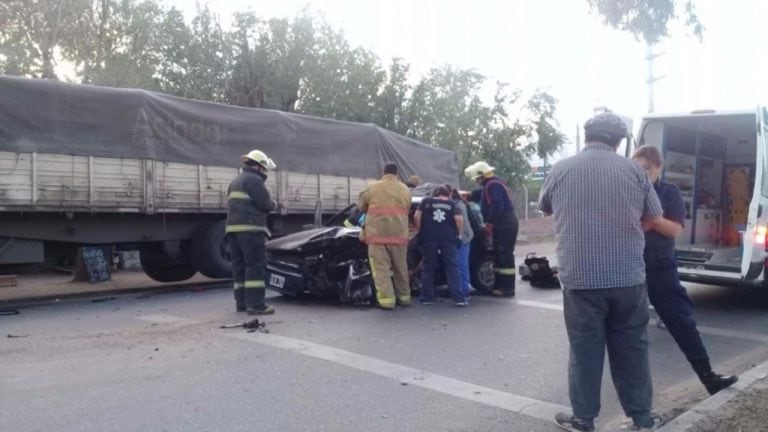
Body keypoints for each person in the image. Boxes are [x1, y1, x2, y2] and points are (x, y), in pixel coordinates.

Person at [539, 112, 665, 431]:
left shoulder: (561, 169)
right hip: (627, 278)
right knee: (632, 347)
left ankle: (584, 418)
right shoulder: (634, 172)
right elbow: (653, 216)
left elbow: (546, 207)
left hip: (580, 279)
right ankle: (642, 418)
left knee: (585, 350)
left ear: (586, 136)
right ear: (619, 142)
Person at [632, 145, 738, 395]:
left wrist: (653, 221)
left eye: (646, 168)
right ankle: (637, 402)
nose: (641, 173)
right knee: (629, 329)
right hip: (631, 266)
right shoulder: (626, 192)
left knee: (682, 322)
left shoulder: (669, 193)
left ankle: (708, 377)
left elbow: (675, 230)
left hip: (660, 265)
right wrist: (653, 222)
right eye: (636, 168)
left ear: (659, 167)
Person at [226, 149, 277, 315]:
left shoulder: (236, 181)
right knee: (255, 266)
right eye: (265, 169)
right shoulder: (254, 180)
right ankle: (256, 305)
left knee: (239, 267)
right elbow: (265, 204)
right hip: (251, 230)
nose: (265, 173)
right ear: (260, 167)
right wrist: (274, 204)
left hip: (233, 230)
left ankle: (242, 303)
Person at [358, 162, 412, 310]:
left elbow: (361, 206)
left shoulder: (373, 187)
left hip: (378, 236)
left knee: (381, 270)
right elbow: (407, 208)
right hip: (399, 236)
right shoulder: (405, 189)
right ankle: (405, 298)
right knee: (401, 268)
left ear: (384, 172)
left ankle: (387, 301)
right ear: (397, 173)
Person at [464, 161, 518, 296]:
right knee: (499, 254)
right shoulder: (492, 184)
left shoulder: (492, 185)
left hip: (504, 224)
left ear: (482, 176)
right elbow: (480, 194)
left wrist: (489, 223)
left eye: (477, 178)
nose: (476, 181)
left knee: (504, 254)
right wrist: (468, 195)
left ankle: (507, 288)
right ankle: (500, 284)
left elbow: (497, 206)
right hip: (504, 223)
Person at [414, 185, 467, 306]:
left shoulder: (426, 201)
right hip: (448, 238)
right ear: (447, 194)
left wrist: (420, 230)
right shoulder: (452, 203)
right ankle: (459, 299)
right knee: (452, 267)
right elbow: (459, 219)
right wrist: (459, 235)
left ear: (434, 194)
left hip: (429, 237)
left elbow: (416, 216)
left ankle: (426, 297)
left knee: (428, 267)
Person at [450, 186, 474, 296]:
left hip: (462, 239)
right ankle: (462, 289)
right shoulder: (459, 203)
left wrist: (459, 237)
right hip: (465, 237)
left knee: (461, 265)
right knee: (461, 265)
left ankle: (464, 291)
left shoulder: (456, 205)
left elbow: (459, 222)